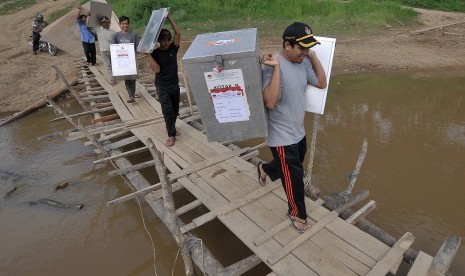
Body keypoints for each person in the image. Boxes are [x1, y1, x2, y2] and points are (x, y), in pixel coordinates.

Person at [258, 22, 327, 233]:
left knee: (290, 167)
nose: (304, 52)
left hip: (298, 130)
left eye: (308, 48)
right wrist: (277, 67)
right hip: (281, 135)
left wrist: (312, 57)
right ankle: (296, 213)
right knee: (295, 177)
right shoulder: (270, 65)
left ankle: (265, 169)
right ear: (287, 45)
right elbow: (270, 101)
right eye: (301, 48)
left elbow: (322, 83)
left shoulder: (303, 62)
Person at [146, 14, 181, 147]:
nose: (166, 42)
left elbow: (178, 32)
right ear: (159, 40)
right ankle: (171, 135)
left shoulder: (173, 48)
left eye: (168, 39)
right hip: (163, 86)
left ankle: (171, 127)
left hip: (174, 84)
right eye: (163, 39)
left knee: (175, 109)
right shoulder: (154, 53)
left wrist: (169, 17)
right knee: (167, 110)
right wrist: (148, 55)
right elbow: (157, 69)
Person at [113, 16, 139, 103]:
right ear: (120, 24)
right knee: (127, 79)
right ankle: (131, 96)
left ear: (129, 24)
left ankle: (133, 93)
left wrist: (141, 50)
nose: (125, 25)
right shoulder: (116, 36)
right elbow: (114, 49)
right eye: (123, 23)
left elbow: (137, 47)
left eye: (127, 23)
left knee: (133, 79)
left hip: (132, 60)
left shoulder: (133, 35)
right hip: (122, 62)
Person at [95, 16, 116, 85]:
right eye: (103, 22)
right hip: (103, 51)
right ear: (101, 23)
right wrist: (89, 16)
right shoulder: (98, 30)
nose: (105, 24)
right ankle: (112, 80)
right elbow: (88, 25)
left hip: (112, 50)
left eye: (107, 22)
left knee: (113, 65)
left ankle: (115, 76)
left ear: (109, 23)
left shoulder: (112, 31)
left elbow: (116, 40)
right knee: (108, 65)